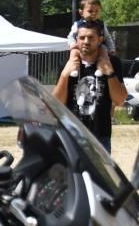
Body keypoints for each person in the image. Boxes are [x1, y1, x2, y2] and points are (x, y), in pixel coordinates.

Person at [53, 18, 125, 153]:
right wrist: (64, 76)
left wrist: (108, 71)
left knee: (100, 174)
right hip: (71, 136)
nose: (86, 41)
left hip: (101, 137)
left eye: (91, 37)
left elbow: (120, 100)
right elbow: (56, 104)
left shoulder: (113, 62)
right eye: (82, 37)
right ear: (76, 39)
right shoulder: (67, 63)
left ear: (100, 39)